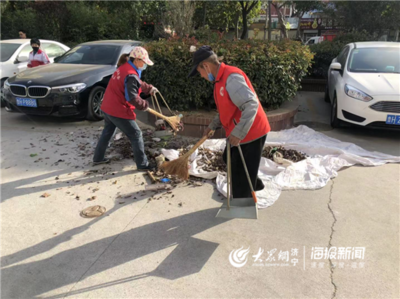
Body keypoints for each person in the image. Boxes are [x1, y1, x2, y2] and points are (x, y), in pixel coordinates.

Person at [188, 45, 271, 198]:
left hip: (251, 131)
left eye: (199, 71)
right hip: (241, 129)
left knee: (239, 169)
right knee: (229, 157)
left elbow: (251, 105)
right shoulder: (219, 80)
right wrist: (212, 126)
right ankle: (253, 183)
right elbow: (227, 108)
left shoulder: (231, 78)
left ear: (205, 66)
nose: (200, 75)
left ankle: (242, 204)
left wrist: (239, 133)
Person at [93, 46, 158, 170]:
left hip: (107, 107)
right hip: (118, 109)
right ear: (137, 60)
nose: (144, 65)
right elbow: (132, 97)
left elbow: (137, 82)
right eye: (144, 62)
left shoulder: (124, 68)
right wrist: (144, 105)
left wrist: (149, 88)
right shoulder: (131, 74)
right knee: (136, 134)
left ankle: (98, 158)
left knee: (107, 133)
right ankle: (142, 164)